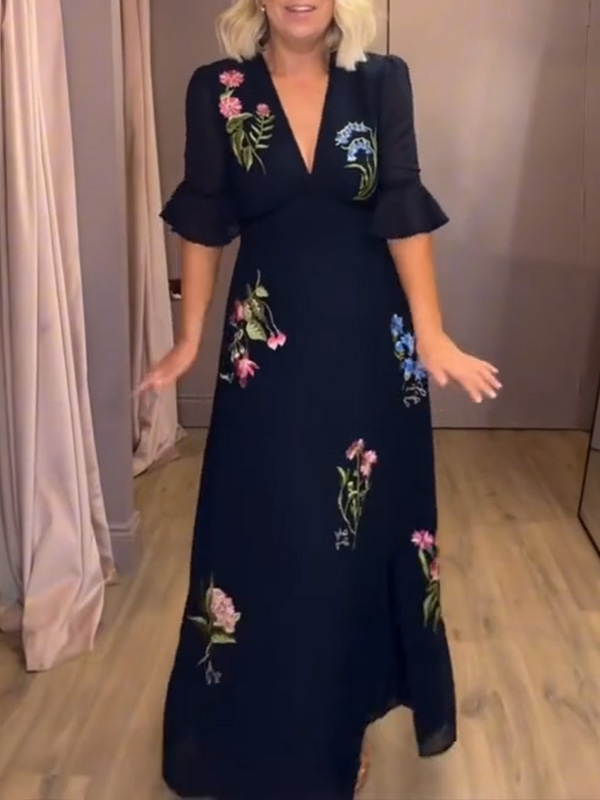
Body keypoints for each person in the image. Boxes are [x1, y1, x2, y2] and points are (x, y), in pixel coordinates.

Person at [138, 0, 501, 798]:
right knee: (268, 539)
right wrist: (190, 337)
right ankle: (255, 726)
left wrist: (433, 334)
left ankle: (336, 728)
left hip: (371, 357)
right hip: (267, 359)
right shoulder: (218, 89)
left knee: (353, 549)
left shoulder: (381, 82)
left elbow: (403, 210)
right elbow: (203, 219)